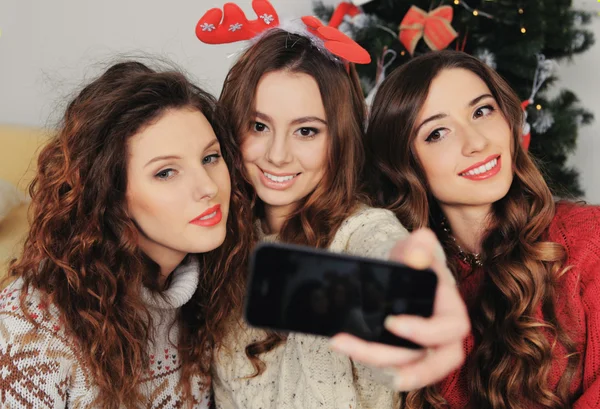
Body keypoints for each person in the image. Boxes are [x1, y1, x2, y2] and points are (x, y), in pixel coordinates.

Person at [207, 20, 470, 408]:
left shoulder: (358, 232)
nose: (277, 154)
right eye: (259, 126)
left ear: (339, 139)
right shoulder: (221, 239)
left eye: (307, 131)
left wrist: (414, 288)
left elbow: (386, 251)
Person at [0, 61, 253, 408]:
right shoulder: (32, 331)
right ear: (111, 196)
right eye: (166, 172)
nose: (208, 187)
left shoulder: (216, 291)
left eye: (210, 157)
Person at [364, 49, 600, 408]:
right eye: (438, 132)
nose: (477, 142)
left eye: (482, 111)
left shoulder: (587, 240)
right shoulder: (405, 282)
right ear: (404, 165)